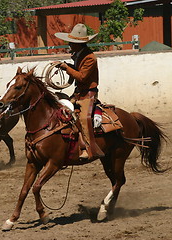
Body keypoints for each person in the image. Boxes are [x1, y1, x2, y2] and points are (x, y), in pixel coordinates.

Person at [53, 23, 105, 161]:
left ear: (79, 44)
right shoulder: (79, 55)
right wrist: (66, 66)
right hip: (78, 93)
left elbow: (82, 76)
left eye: (72, 42)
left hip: (88, 94)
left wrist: (66, 67)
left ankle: (88, 149)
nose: (69, 44)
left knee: (83, 119)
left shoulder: (90, 58)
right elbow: (77, 71)